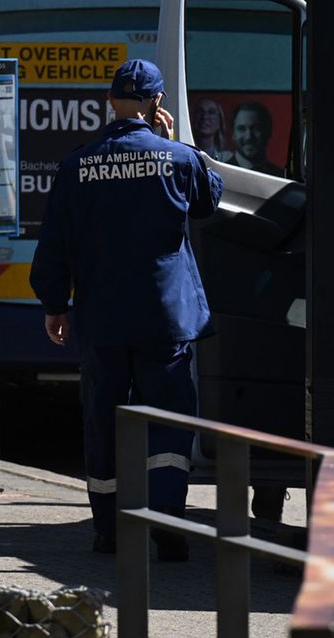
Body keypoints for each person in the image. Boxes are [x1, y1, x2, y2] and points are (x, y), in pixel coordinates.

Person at [30, 58, 223, 560]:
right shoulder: (177, 158)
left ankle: (109, 531)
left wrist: (55, 304)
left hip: (103, 318)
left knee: (104, 420)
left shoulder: (77, 165)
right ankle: (166, 524)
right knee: (169, 421)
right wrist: (183, 143)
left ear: (109, 101)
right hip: (164, 318)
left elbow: (54, 243)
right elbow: (209, 202)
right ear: (156, 105)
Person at [231, 101, 282, 175]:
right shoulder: (219, 175)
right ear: (233, 133)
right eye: (241, 129)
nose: (249, 137)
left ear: (268, 131)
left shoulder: (281, 177)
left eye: (256, 128)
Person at [193, 97, 234, 162]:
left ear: (219, 121)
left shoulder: (228, 158)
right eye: (200, 111)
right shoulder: (186, 153)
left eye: (211, 112)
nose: (205, 117)